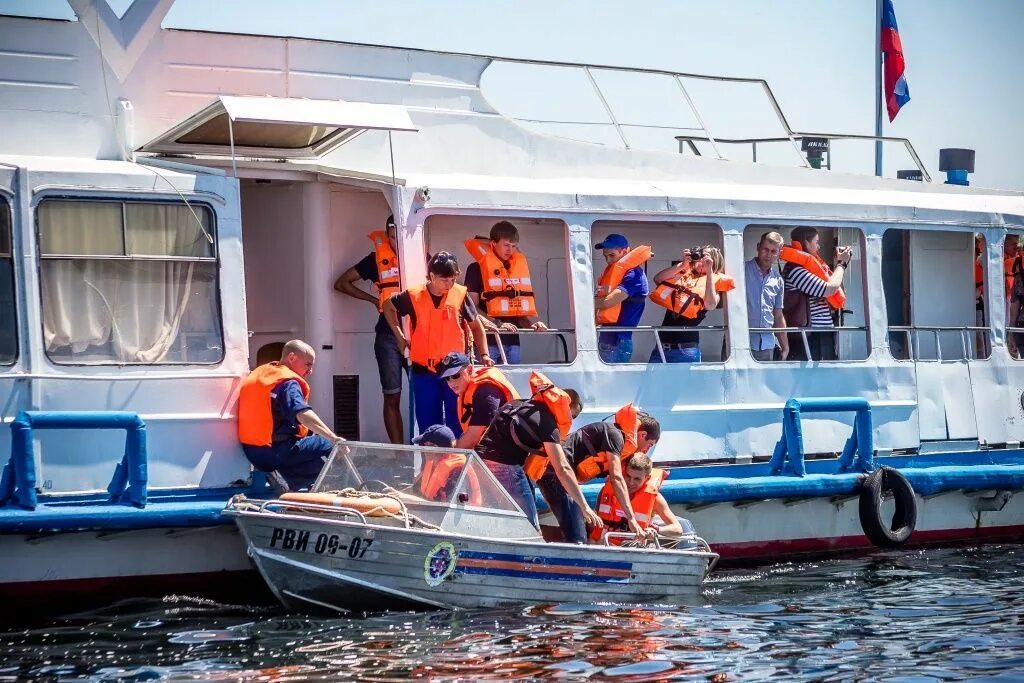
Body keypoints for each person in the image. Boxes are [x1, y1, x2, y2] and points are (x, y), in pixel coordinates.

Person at [473, 371, 599, 532]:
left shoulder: (516, 404)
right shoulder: (547, 423)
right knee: (530, 528)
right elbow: (562, 468)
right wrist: (584, 506)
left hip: (479, 463)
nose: (568, 422)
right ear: (567, 407)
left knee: (499, 519)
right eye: (571, 417)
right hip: (504, 468)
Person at [383, 252, 491, 438]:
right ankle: (431, 466)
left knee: (457, 423)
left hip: (455, 372)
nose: (449, 285)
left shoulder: (460, 295)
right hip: (424, 371)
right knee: (429, 429)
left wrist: (485, 355)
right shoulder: (412, 296)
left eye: (453, 279)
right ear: (432, 276)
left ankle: (457, 466)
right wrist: (400, 338)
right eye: (444, 280)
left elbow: (476, 327)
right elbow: (387, 306)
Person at [536, 405, 660, 543]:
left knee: (582, 528)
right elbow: (616, 478)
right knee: (578, 537)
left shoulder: (621, 445)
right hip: (554, 475)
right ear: (642, 435)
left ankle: (539, 538)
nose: (646, 450)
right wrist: (631, 519)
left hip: (559, 477)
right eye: (650, 445)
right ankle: (536, 543)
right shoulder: (616, 435)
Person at [333, 214, 405, 443]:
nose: (397, 243)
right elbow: (341, 283)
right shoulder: (376, 260)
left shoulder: (422, 257)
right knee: (392, 397)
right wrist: (374, 301)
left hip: (419, 334)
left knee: (424, 395)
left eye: (401, 237)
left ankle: (427, 452)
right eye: (393, 238)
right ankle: (399, 453)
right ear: (387, 236)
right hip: (387, 335)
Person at [238, 339, 343, 490]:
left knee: (306, 444)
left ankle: (295, 485)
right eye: (308, 364)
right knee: (326, 445)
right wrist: (333, 438)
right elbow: (301, 413)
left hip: (253, 452)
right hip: (273, 453)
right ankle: (336, 488)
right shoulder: (288, 383)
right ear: (292, 358)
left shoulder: (261, 373)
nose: (310, 371)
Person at [464, 221, 548, 364]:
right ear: (493, 243)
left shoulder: (515, 270)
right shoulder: (475, 269)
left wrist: (531, 325)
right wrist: (497, 324)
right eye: (506, 245)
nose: (510, 250)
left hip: (513, 342)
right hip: (488, 343)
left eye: (513, 246)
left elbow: (517, 311)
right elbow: (471, 308)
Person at [648, 245, 734, 363]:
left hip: (685, 350)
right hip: (661, 347)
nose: (701, 260)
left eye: (705, 257)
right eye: (700, 255)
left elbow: (710, 305)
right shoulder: (684, 275)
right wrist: (683, 265)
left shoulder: (713, 285)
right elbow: (658, 279)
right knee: (653, 382)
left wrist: (709, 272)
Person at [780, 227, 852, 361]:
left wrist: (837, 264)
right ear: (806, 243)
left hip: (819, 334)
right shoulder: (796, 270)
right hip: (809, 337)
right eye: (816, 242)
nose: (818, 246)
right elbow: (829, 288)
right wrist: (842, 264)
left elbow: (836, 289)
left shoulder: (807, 268)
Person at [435, 351, 519, 450]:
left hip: (507, 456)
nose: (451, 382)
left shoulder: (485, 392)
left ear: (470, 370)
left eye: (455, 375)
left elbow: (472, 439)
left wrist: (449, 454)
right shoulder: (470, 390)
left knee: (451, 463)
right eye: (447, 378)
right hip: (491, 450)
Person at [591, 452, 683, 542]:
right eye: (628, 476)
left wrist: (657, 530)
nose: (631, 483)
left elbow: (678, 529)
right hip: (602, 545)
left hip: (632, 549)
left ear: (647, 478)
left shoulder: (656, 499)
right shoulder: (606, 490)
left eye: (637, 479)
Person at [594, 233, 652, 363]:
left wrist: (582, 301)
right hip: (606, 339)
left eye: (612, 255)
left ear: (625, 251)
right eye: (605, 256)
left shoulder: (634, 275)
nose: (608, 260)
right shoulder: (615, 272)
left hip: (618, 343)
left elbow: (608, 302)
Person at [746, 231, 790, 361]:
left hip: (767, 345)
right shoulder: (741, 271)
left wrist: (785, 346)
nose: (768, 255)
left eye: (773, 251)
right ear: (758, 247)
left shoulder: (778, 280)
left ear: (779, 253)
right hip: (740, 343)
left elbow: (778, 314)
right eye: (765, 249)